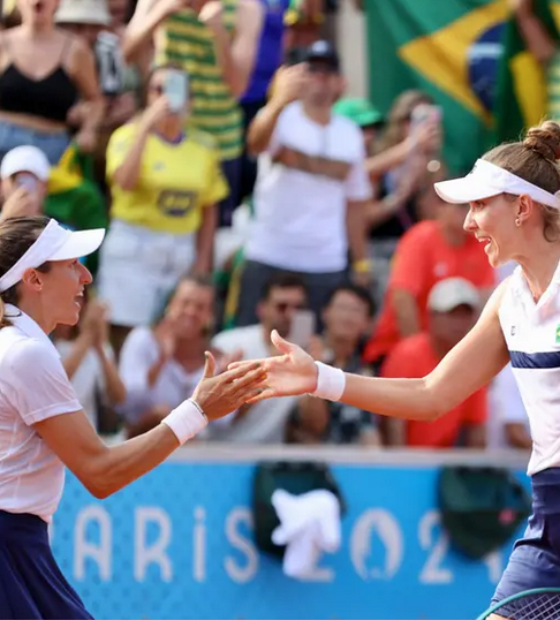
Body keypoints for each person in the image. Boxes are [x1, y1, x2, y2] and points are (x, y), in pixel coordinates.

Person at [231, 120, 560, 620]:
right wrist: (320, 377)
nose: (468, 223)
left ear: (522, 207)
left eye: (478, 205)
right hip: (549, 521)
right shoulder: (507, 301)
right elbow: (431, 394)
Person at [0, 215, 266, 620]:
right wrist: (197, 411)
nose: (86, 276)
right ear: (34, 279)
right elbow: (100, 472)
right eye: (73, 265)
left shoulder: (17, 345)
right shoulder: (25, 352)